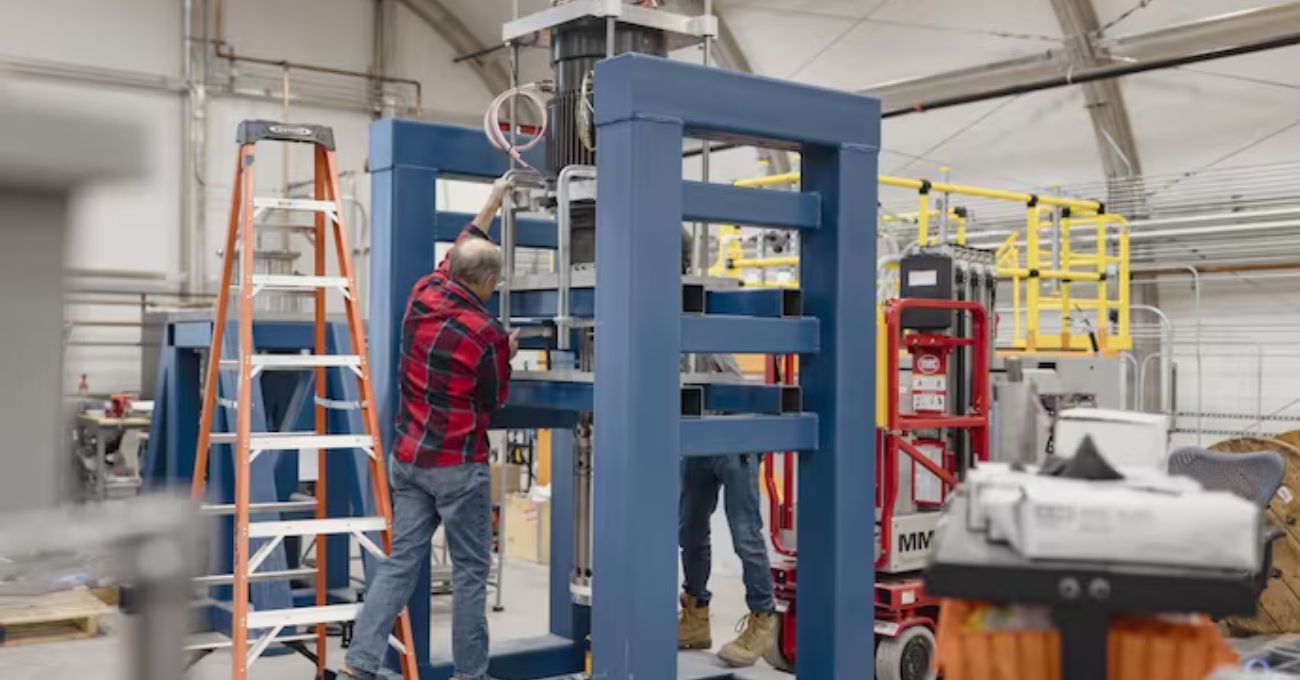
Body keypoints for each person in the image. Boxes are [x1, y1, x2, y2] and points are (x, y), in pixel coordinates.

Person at [342, 181, 518, 680]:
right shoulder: (487, 334)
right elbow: (494, 398)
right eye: (495, 282)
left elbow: (462, 250)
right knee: (469, 576)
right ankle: (470, 675)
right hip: (457, 468)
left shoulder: (426, 291)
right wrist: (510, 351)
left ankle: (360, 663)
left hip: (409, 459)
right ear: (485, 283)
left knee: (400, 565)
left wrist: (492, 201)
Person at [677, 233, 778, 668]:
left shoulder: (697, 298)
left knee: (744, 535)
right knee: (689, 530)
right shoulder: (649, 303)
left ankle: (763, 616)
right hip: (695, 429)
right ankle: (696, 614)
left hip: (732, 429)